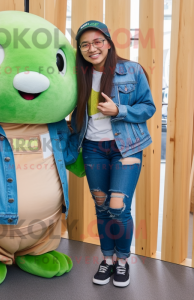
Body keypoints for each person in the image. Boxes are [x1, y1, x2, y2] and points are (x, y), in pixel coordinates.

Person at [70, 21, 156, 287]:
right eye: (85, 44)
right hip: (93, 148)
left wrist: (120, 111)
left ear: (108, 42)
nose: (91, 48)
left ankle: (123, 261)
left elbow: (148, 107)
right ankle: (107, 260)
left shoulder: (132, 70)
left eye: (97, 41)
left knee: (118, 207)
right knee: (102, 207)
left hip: (126, 147)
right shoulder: (77, 75)